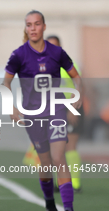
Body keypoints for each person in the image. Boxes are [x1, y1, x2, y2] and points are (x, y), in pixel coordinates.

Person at [4, 10, 83, 211]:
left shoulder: (57, 52)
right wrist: (11, 107)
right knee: (45, 163)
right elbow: (6, 83)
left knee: (59, 158)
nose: (33, 28)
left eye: (37, 24)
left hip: (56, 112)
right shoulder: (19, 55)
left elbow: (76, 77)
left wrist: (78, 94)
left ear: (44, 27)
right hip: (33, 116)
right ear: (26, 28)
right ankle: (49, 201)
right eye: (29, 24)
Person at [22, 35, 84, 192]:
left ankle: (74, 183)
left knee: (70, 147)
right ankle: (61, 182)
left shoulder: (68, 64)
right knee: (55, 150)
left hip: (70, 109)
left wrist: (73, 110)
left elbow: (78, 86)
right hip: (52, 110)